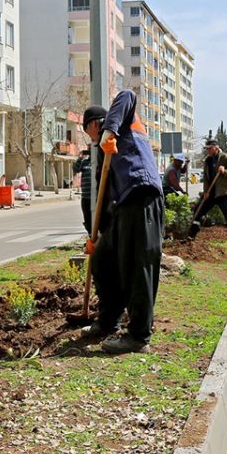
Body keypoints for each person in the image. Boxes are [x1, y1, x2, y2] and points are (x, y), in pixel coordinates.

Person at [81, 90, 164, 355]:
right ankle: (108, 321)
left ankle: (139, 336)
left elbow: (127, 94)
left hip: (142, 194)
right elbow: (102, 199)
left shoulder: (122, 124)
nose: (92, 139)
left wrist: (110, 130)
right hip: (123, 207)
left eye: (90, 132)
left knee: (136, 266)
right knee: (104, 260)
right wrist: (100, 239)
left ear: (95, 124)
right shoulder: (105, 155)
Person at [191, 139, 227, 241]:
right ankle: (191, 234)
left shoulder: (225, 157)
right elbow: (206, 178)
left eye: (210, 148)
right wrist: (206, 191)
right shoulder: (208, 160)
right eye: (207, 149)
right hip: (211, 192)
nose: (208, 150)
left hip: (223, 192)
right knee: (199, 210)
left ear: (216, 147)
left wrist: (226, 171)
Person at [73, 148, 93, 234]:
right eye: (89, 149)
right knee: (87, 218)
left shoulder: (100, 161)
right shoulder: (85, 162)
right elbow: (76, 169)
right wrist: (80, 157)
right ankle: (90, 236)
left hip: (97, 197)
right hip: (86, 196)